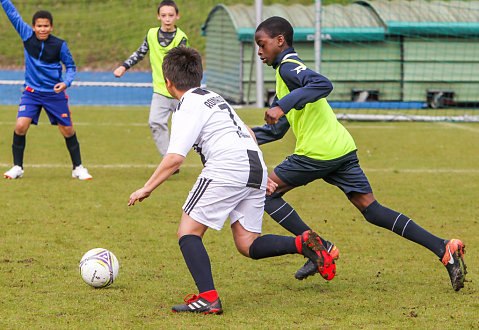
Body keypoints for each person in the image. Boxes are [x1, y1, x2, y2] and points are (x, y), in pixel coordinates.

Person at [252, 16, 467, 291]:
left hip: (317, 153)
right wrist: (240, 136)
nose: (259, 52)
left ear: (279, 41)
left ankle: (321, 249)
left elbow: (322, 84)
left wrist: (281, 106)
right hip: (341, 148)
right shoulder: (285, 76)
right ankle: (444, 248)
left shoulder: (289, 67)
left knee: (265, 192)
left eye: (262, 44)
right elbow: (275, 131)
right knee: (372, 210)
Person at [128, 47, 336, 315]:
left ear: (168, 83)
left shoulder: (186, 106)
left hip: (227, 166)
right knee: (247, 243)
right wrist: (258, 175)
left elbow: (175, 158)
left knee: (188, 232)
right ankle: (301, 242)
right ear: (198, 76)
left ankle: (208, 298)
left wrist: (146, 188)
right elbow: (247, 131)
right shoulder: (214, 97)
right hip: (253, 162)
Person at [2, 0, 92, 180]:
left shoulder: (60, 45)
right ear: (33, 27)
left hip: (54, 94)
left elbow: (71, 67)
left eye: (46, 26)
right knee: (20, 126)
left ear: (51, 27)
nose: (42, 29)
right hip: (31, 93)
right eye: (39, 26)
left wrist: (66, 83)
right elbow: (13, 14)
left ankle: (78, 168)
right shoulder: (26, 35)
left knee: (67, 130)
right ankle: (17, 167)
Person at [113, 0, 188, 170]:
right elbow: (140, 53)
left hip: (180, 91)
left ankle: (212, 157)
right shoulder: (152, 34)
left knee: (192, 129)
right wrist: (124, 66)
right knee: (155, 122)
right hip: (161, 91)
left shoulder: (181, 37)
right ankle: (170, 162)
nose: (167, 19)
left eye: (171, 15)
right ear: (158, 16)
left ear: (177, 16)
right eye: (163, 15)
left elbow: (184, 62)